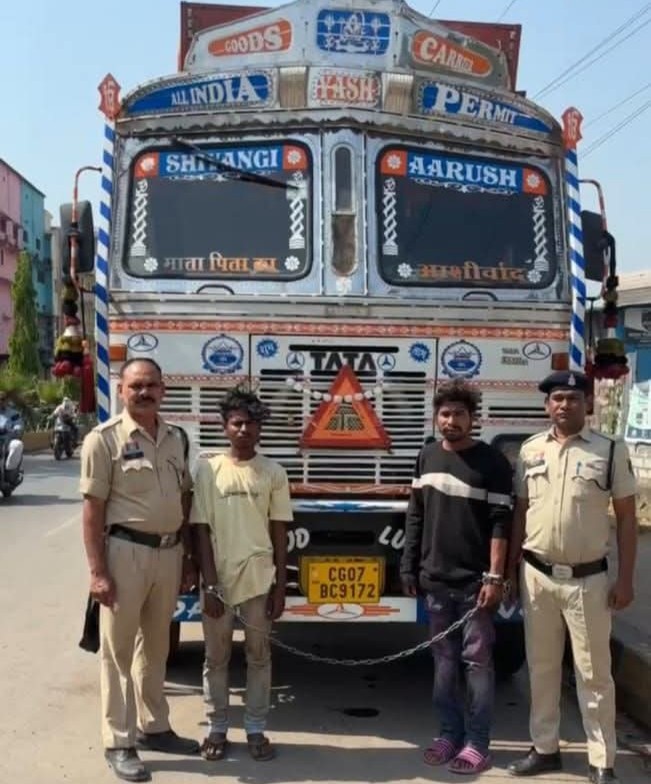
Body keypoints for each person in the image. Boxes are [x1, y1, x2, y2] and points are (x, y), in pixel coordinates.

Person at [506, 370, 637, 784]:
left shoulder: (610, 450)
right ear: (548, 405)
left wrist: (626, 580)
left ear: (588, 403)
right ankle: (545, 748)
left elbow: (627, 518)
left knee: (594, 673)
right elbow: (521, 512)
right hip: (536, 576)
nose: (565, 405)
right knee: (541, 668)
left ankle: (602, 759)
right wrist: (510, 570)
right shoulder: (530, 450)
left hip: (588, 580)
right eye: (558, 398)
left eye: (573, 398)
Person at [80, 358, 200, 782]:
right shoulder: (103, 440)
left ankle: (155, 726)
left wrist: (187, 557)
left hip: (168, 554)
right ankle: (119, 740)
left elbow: (184, 499)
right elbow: (92, 511)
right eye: (135, 386)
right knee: (117, 651)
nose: (144, 392)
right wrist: (97, 572)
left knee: (156, 647)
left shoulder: (176, 438)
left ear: (163, 390)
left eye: (151, 385)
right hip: (124, 554)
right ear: (122, 391)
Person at [400, 379, 513, 775]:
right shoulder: (427, 456)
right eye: (445, 414)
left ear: (472, 418)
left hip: (475, 585)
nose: (451, 421)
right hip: (435, 581)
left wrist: (494, 577)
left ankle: (478, 743)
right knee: (444, 663)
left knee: (477, 664)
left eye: (459, 414)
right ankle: (449, 734)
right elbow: (415, 515)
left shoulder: (492, 463)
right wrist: (409, 565)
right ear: (436, 417)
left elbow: (501, 523)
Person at [190, 386, 292, 763]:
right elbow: (200, 529)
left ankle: (255, 728)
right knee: (215, 658)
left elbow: (279, 530)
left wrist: (280, 587)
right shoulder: (208, 470)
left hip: (259, 581)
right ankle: (217, 727)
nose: (243, 429)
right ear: (225, 427)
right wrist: (210, 585)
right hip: (218, 580)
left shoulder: (273, 472)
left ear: (259, 428)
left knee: (259, 656)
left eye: (250, 423)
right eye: (236, 423)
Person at [0, 391, 24, 479]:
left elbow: (18, 424)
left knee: (17, 445)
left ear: (6, 401)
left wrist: (16, 429)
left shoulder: (13, 413)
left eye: (2, 399)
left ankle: (10, 471)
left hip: (7, 439)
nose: (0, 401)